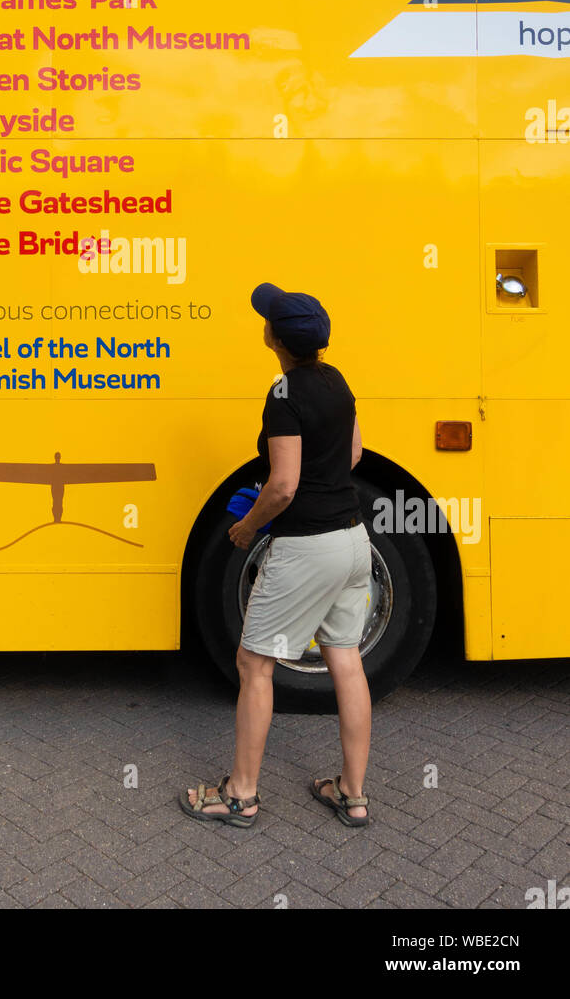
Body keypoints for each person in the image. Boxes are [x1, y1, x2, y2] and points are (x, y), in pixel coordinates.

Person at [180, 283, 372, 828]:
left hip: (307, 547)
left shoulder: (284, 394)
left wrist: (245, 527)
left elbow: (284, 486)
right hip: (354, 540)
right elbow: (353, 451)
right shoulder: (338, 382)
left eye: (266, 319)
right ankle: (352, 795)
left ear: (274, 338)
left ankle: (239, 795)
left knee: (254, 663)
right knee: (346, 659)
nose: (261, 322)